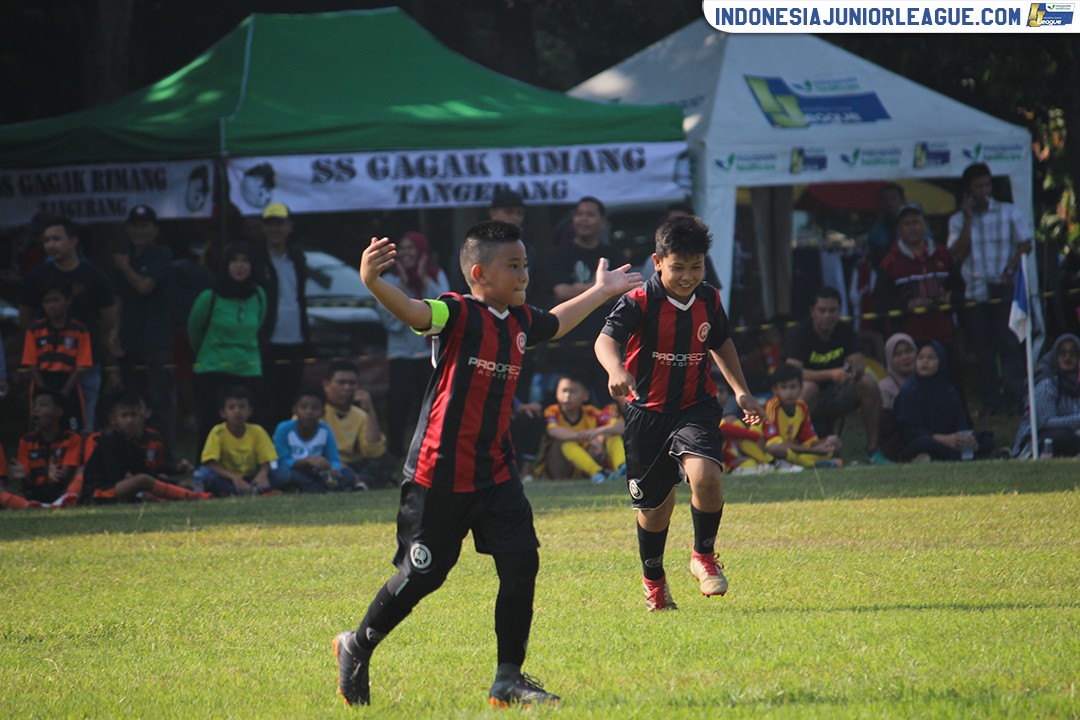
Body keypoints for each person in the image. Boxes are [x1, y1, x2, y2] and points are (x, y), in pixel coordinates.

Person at [332, 220, 640, 707]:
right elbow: (413, 310)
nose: (524, 275)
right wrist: (373, 282)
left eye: (525, 265)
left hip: (496, 471)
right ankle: (357, 643)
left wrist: (600, 292)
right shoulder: (456, 313)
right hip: (439, 473)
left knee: (522, 561)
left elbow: (557, 321)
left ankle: (507, 679)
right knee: (425, 575)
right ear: (479, 273)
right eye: (513, 267)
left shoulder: (518, 321)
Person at [594, 216, 762, 612]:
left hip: (695, 407)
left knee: (706, 475)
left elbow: (721, 343)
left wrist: (741, 390)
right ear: (657, 262)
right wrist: (615, 370)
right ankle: (654, 581)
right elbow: (605, 340)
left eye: (696, 267)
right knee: (655, 512)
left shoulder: (709, 299)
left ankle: (703, 555)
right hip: (646, 414)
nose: (688, 276)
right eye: (678, 267)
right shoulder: (640, 301)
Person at [947, 162, 1033, 415]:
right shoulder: (957, 220)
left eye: (987, 184)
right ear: (968, 191)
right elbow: (956, 255)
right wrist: (968, 218)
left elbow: (1026, 244)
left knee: (1009, 343)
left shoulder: (1008, 212)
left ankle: (1015, 399)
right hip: (974, 290)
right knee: (983, 349)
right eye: (977, 186)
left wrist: (1012, 266)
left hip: (1003, 286)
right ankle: (991, 402)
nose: (984, 190)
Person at [17, 215, 117, 431]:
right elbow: (24, 318)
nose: (51, 245)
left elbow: (109, 317)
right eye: (46, 240)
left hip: (85, 364)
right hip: (46, 368)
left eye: (56, 239)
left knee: (83, 425)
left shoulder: (94, 275)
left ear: (73, 240)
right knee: (43, 427)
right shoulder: (36, 277)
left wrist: (87, 340)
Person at [784, 286, 888, 464]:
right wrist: (831, 374)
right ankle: (790, 452)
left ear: (840, 311)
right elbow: (792, 373)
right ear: (812, 312)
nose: (827, 315)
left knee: (868, 382)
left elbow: (859, 364)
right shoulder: (799, 334)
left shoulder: (846, 331)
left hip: (838, 394)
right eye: (822, 310)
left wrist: (851, 372)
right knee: (809, 387)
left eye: (832, 310)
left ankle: (873, 451)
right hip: (809, 398)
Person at [875, 202, 967, 401]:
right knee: (914, 392)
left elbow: (960, 289)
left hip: (942, 334)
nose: (912, 227)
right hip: (909, 338)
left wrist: (949, 298)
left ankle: (961, 426)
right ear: (900, 229)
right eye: (907, 224)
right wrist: (907, 305)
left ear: (925, 225)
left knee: (952, 385)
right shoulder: (890, 261)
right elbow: (880, 300)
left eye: (916, 222)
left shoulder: (943, 254)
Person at [376, 230, 449, 457]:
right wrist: (403, 288)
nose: (407, 253)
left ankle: (427, 451)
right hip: (401, 355)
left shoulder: (436, 275)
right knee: (399, 404)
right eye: (403, 248)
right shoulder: (388, 281)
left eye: (411, 248)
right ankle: (396, 453)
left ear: (422, 252)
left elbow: (445, 311)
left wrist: (424, 279)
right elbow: (390, 320)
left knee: (428, 406)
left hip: (428, 355)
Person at [111, 205, 176, 457]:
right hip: (129, 342)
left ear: (155, 229)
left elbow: (145, 286)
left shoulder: (161, 254)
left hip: (156, 342)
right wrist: (114, 333)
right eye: (135, 226)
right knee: (132, 405)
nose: (139, 231)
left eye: (145, 226)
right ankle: (134, 457)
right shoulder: (124, 256)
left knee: (160, 405)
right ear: (128, 229)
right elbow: (117, 298)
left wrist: (125, 267)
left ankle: (164, 458)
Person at [187, 242, 267, 449]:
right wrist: (208, 354)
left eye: (245, 261)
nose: (239, 266)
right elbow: (194, 331)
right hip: (213, 368)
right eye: (234, 261)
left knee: (250, 426)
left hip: (248, 369)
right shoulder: (210, 296)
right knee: (211, 425)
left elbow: (259, 324)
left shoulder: (258, 295)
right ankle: (206, 472)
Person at [81, 391, 209, 503]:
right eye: (124, 416)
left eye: (134, 415)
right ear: (113, 419)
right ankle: (191, 496)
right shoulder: (108, 442)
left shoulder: (133, 443)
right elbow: (114, 477)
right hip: (98, 493)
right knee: (142, 480)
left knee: (150, 479)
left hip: (119, 489)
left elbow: (148, 472)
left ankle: (185, 493)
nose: (130, 420)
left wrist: (176, 483)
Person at [548, 196, 616, 403]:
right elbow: (561, 291)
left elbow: (622, 293)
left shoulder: (613, 254)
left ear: (602, 221)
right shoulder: (559, 255)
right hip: (570, 345)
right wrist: (602, 290)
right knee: (568, 403)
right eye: (579, 214)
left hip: (606, 342)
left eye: (590, 215)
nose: (583, 220)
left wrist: (578, 290)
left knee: (609, 402)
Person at [253, 202, 310, 428]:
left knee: (291, 399)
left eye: (280, 224)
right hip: (266, 342)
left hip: (295, 339)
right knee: (265, 399)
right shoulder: (255, 258)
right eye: (270, 224)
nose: (275, 229)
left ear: (289, 226)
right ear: (263, 228)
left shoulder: (297, 257)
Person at [893, 341, 992, 462]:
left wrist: (967, 440)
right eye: (921, 358)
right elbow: (910, 432)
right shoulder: (909, 391)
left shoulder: (948, 390)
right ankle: (965, 457)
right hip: (922, 442)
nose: (925, 362)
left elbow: (961, 422)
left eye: (931, 358)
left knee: (986, 440)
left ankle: (942, 457)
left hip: (951, 441)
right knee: (924, 443)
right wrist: (942, 439)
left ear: (941, 361)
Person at [21, 280, 92, 432]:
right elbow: (31, 364)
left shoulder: (80, 330)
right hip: (42, 381)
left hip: (68, 383)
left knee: (74, 429)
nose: (51, 306)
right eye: (46, 301)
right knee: (39, 429)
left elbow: (81, 366)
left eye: (55, 300)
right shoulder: (34, 329)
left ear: (68, 301)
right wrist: (44, 391)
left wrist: (64, 393)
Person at [321, 360, 393, 491]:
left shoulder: (360, 415)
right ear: (326, 385)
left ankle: (357, 483)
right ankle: (358, 483)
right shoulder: (315, 411)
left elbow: (373, 451)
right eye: (341, 383)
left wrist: (370, 410)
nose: (347, 387)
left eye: (352, 383)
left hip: (350, 465)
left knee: (385, 460)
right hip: (324, 463)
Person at [192, 385, 276, 497]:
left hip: (251, 478)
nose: (237, 411)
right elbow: (210, 463)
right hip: (227, 478)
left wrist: (262, 474)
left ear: (250, 411)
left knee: (283, 474)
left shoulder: (257, 431)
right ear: (223, 412)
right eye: (231, 407)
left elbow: (267, 459)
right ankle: (246, 491)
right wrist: (234, 477)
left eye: (242, 407)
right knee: (202, 474)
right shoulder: (218, 432)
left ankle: (244, 490)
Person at [541, 373, 626, 483]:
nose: (567, 396)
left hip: (589, 459)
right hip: (559, 468)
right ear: (556, 392)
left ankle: (622, 468)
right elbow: (553, 430)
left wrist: (597, 432)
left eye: (573, 391)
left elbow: (621, 426)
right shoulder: (552, 411)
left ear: (585, 395)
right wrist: (589, 437)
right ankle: (598, 472)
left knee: (610, 435)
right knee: (564, 442)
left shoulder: (591, 412)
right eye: (564, 391)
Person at [6, 390, 83, 507]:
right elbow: (29, 482)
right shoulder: (26, 440)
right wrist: (23, 475)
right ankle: (28, 505)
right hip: (34, 493)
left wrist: (54, 474)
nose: (36, 409)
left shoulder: (72, 438)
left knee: (82, 470)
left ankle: (66, 500)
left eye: (43, 405)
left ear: (58, 412)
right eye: (35, 405)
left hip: (60, 491)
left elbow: (64, 476)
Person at [762, 363, 842, 468]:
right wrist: (813, 450)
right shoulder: (772, 406)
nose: (789, 392)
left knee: (833, 444)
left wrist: (827, 442)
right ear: (775, 390)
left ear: (801, 388)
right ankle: (811, 465)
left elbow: (809, 442)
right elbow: (773, 444)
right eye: (783, 387)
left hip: (788, 451)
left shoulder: (801, 406)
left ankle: (799, 464)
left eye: (793, 387)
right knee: (776, 449)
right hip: (763, 449)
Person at [1013, 333, 1080, 457]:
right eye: (1062, 352)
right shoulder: (1047, 382)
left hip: (1073, 434)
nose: (1068, 357)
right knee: (1065, 436)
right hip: (1038, 440)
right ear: (1055, 355)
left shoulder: (1077, 381)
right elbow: (1045, 422)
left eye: (1073, 353)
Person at [270, 385, 346, 493]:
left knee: (348, 473)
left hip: (315, 472)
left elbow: (333, 458)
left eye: (315, 408)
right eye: (304, 407)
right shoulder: (284, 429)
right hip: (291, 471)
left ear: (323, 412)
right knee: (284, 475)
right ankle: (317, 488)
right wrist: (307, 461)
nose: (309, 412)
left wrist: (334, 469)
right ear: (295, 410)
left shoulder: (325, 430)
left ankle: (306, 488)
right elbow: (282, 462)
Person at [877, 333, 917, 461]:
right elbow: (887, 430)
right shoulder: (884, 388)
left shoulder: (926, 381)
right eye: (898, 354)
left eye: (908, 351)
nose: (905, 357)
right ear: (889, 358)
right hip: (898, 444)